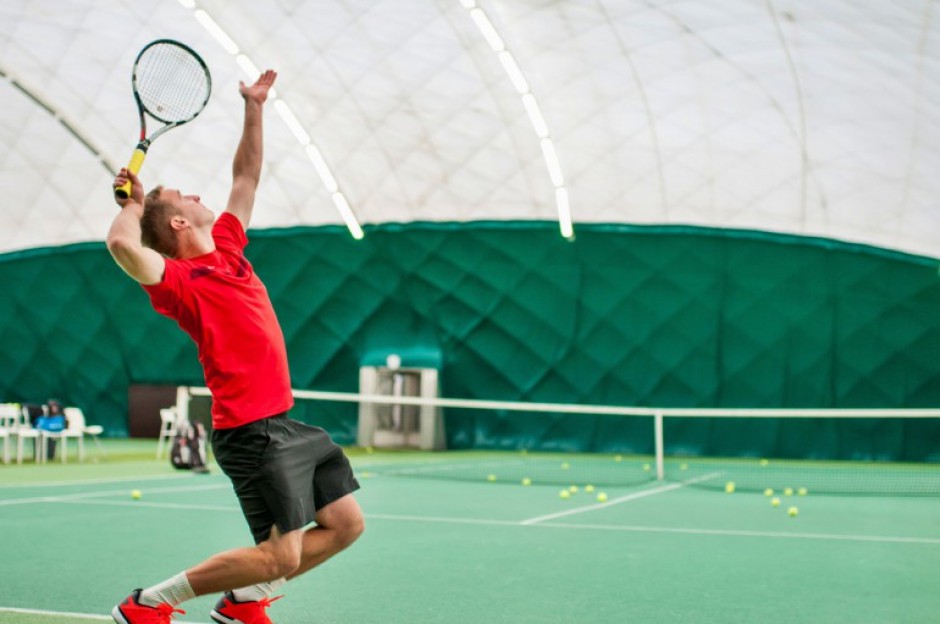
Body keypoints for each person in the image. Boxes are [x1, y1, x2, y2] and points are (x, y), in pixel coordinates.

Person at [106, 70, 364, 624]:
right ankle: (148, 604)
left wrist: (254, 107)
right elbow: (123, 243)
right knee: (280, 553)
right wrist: (132, 202)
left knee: (346, 525)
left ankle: (244, 602)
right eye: (183, 195)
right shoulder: (180, 283)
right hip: (250, 433)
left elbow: (245, 177)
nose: (198, 196)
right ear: (178, 220)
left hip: (285, 423)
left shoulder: (227, 246)